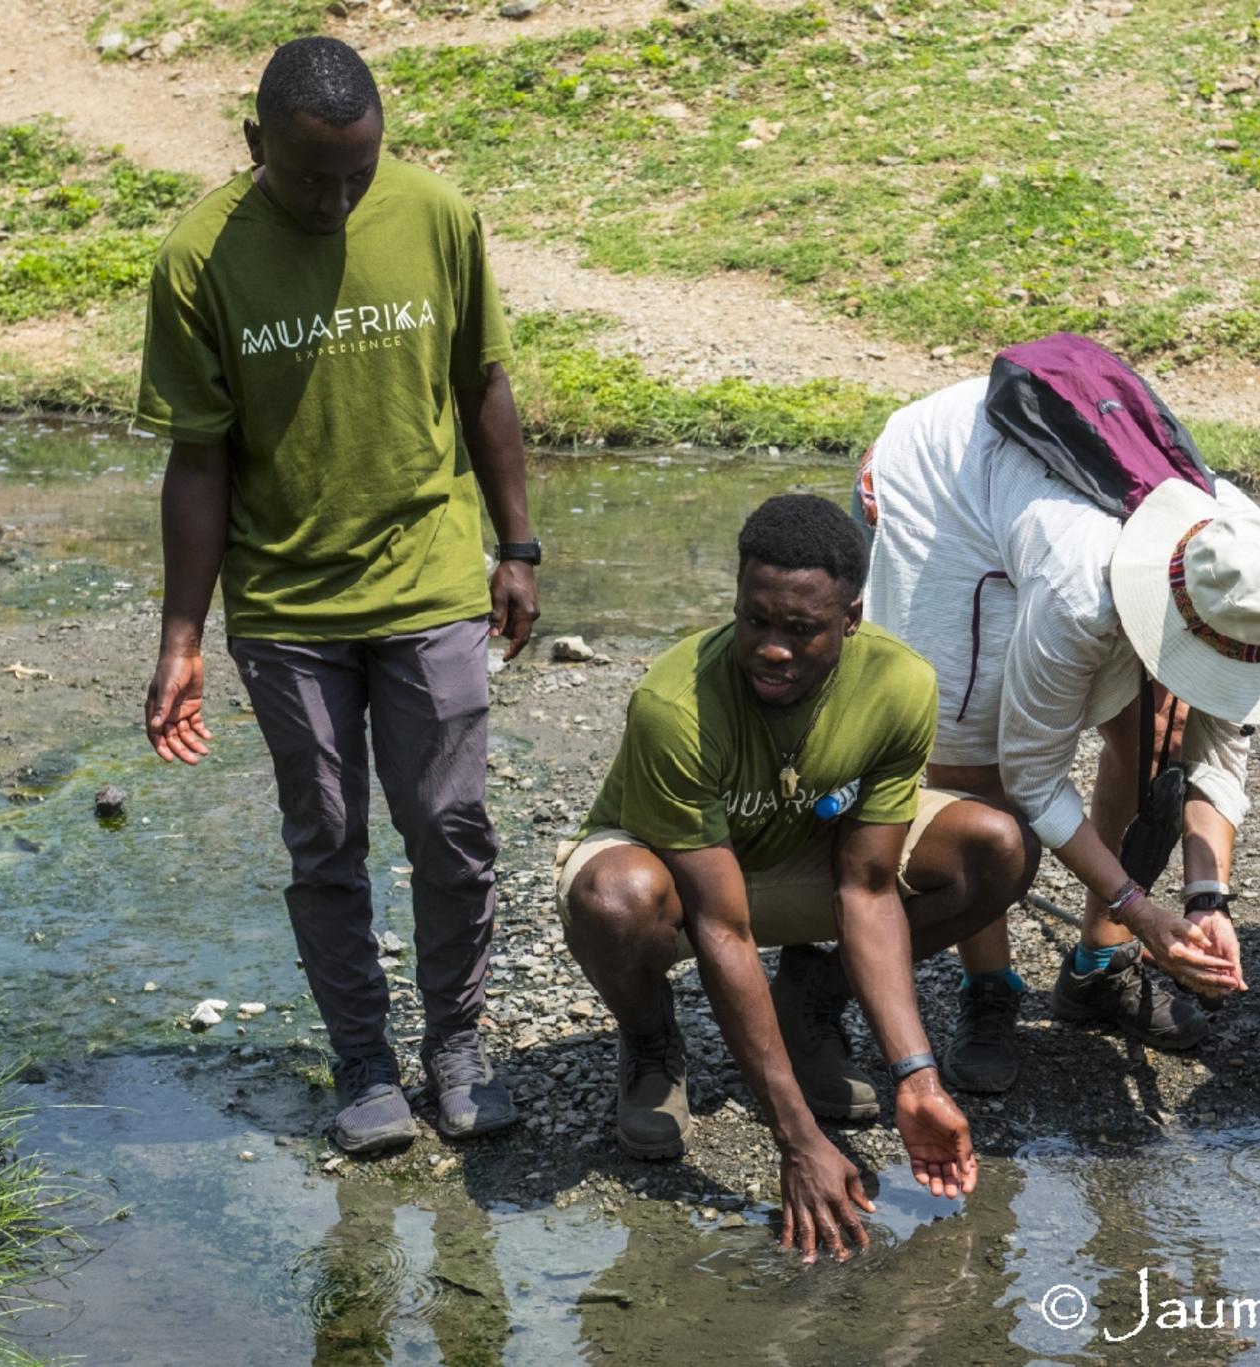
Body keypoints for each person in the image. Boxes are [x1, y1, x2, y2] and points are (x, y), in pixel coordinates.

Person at [136, 37, 539, 1151]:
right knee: (325, 838)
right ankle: (363, 1061)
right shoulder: (200, 258)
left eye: (357, 172)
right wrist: (183, 633)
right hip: (287, 608)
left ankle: (455, 1044)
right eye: (312, 174)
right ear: (254, 142)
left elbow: (482, 383)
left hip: (429, 579)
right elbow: (199, 458)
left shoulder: (435, 215)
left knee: (450, 824)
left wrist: (517, 545)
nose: (336, 197)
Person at [557, 495, 1037, 1264]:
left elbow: (869, 887)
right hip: (682, 885)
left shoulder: (898, 684)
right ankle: (651, 1042)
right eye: (756, 620)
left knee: (996, 844)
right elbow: (722, 925)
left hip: (808, 863)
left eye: (801, 629)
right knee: (613, 899)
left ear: (851, 617)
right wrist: (798, 1139)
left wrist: (915, 1077)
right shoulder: (673, 706)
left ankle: (811, 999)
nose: (771, 649)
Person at [856, 376, 1260, 1089]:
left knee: (1157, 735)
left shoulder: (1255, 570)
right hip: (946, 488)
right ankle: (989, 987)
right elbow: (1031, 778)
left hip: (1064, 510)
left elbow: (1220, 743)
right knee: (975, 765)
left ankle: (1098, 967)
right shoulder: (1078, 591)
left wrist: (1208, 896)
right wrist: (1141, 905)